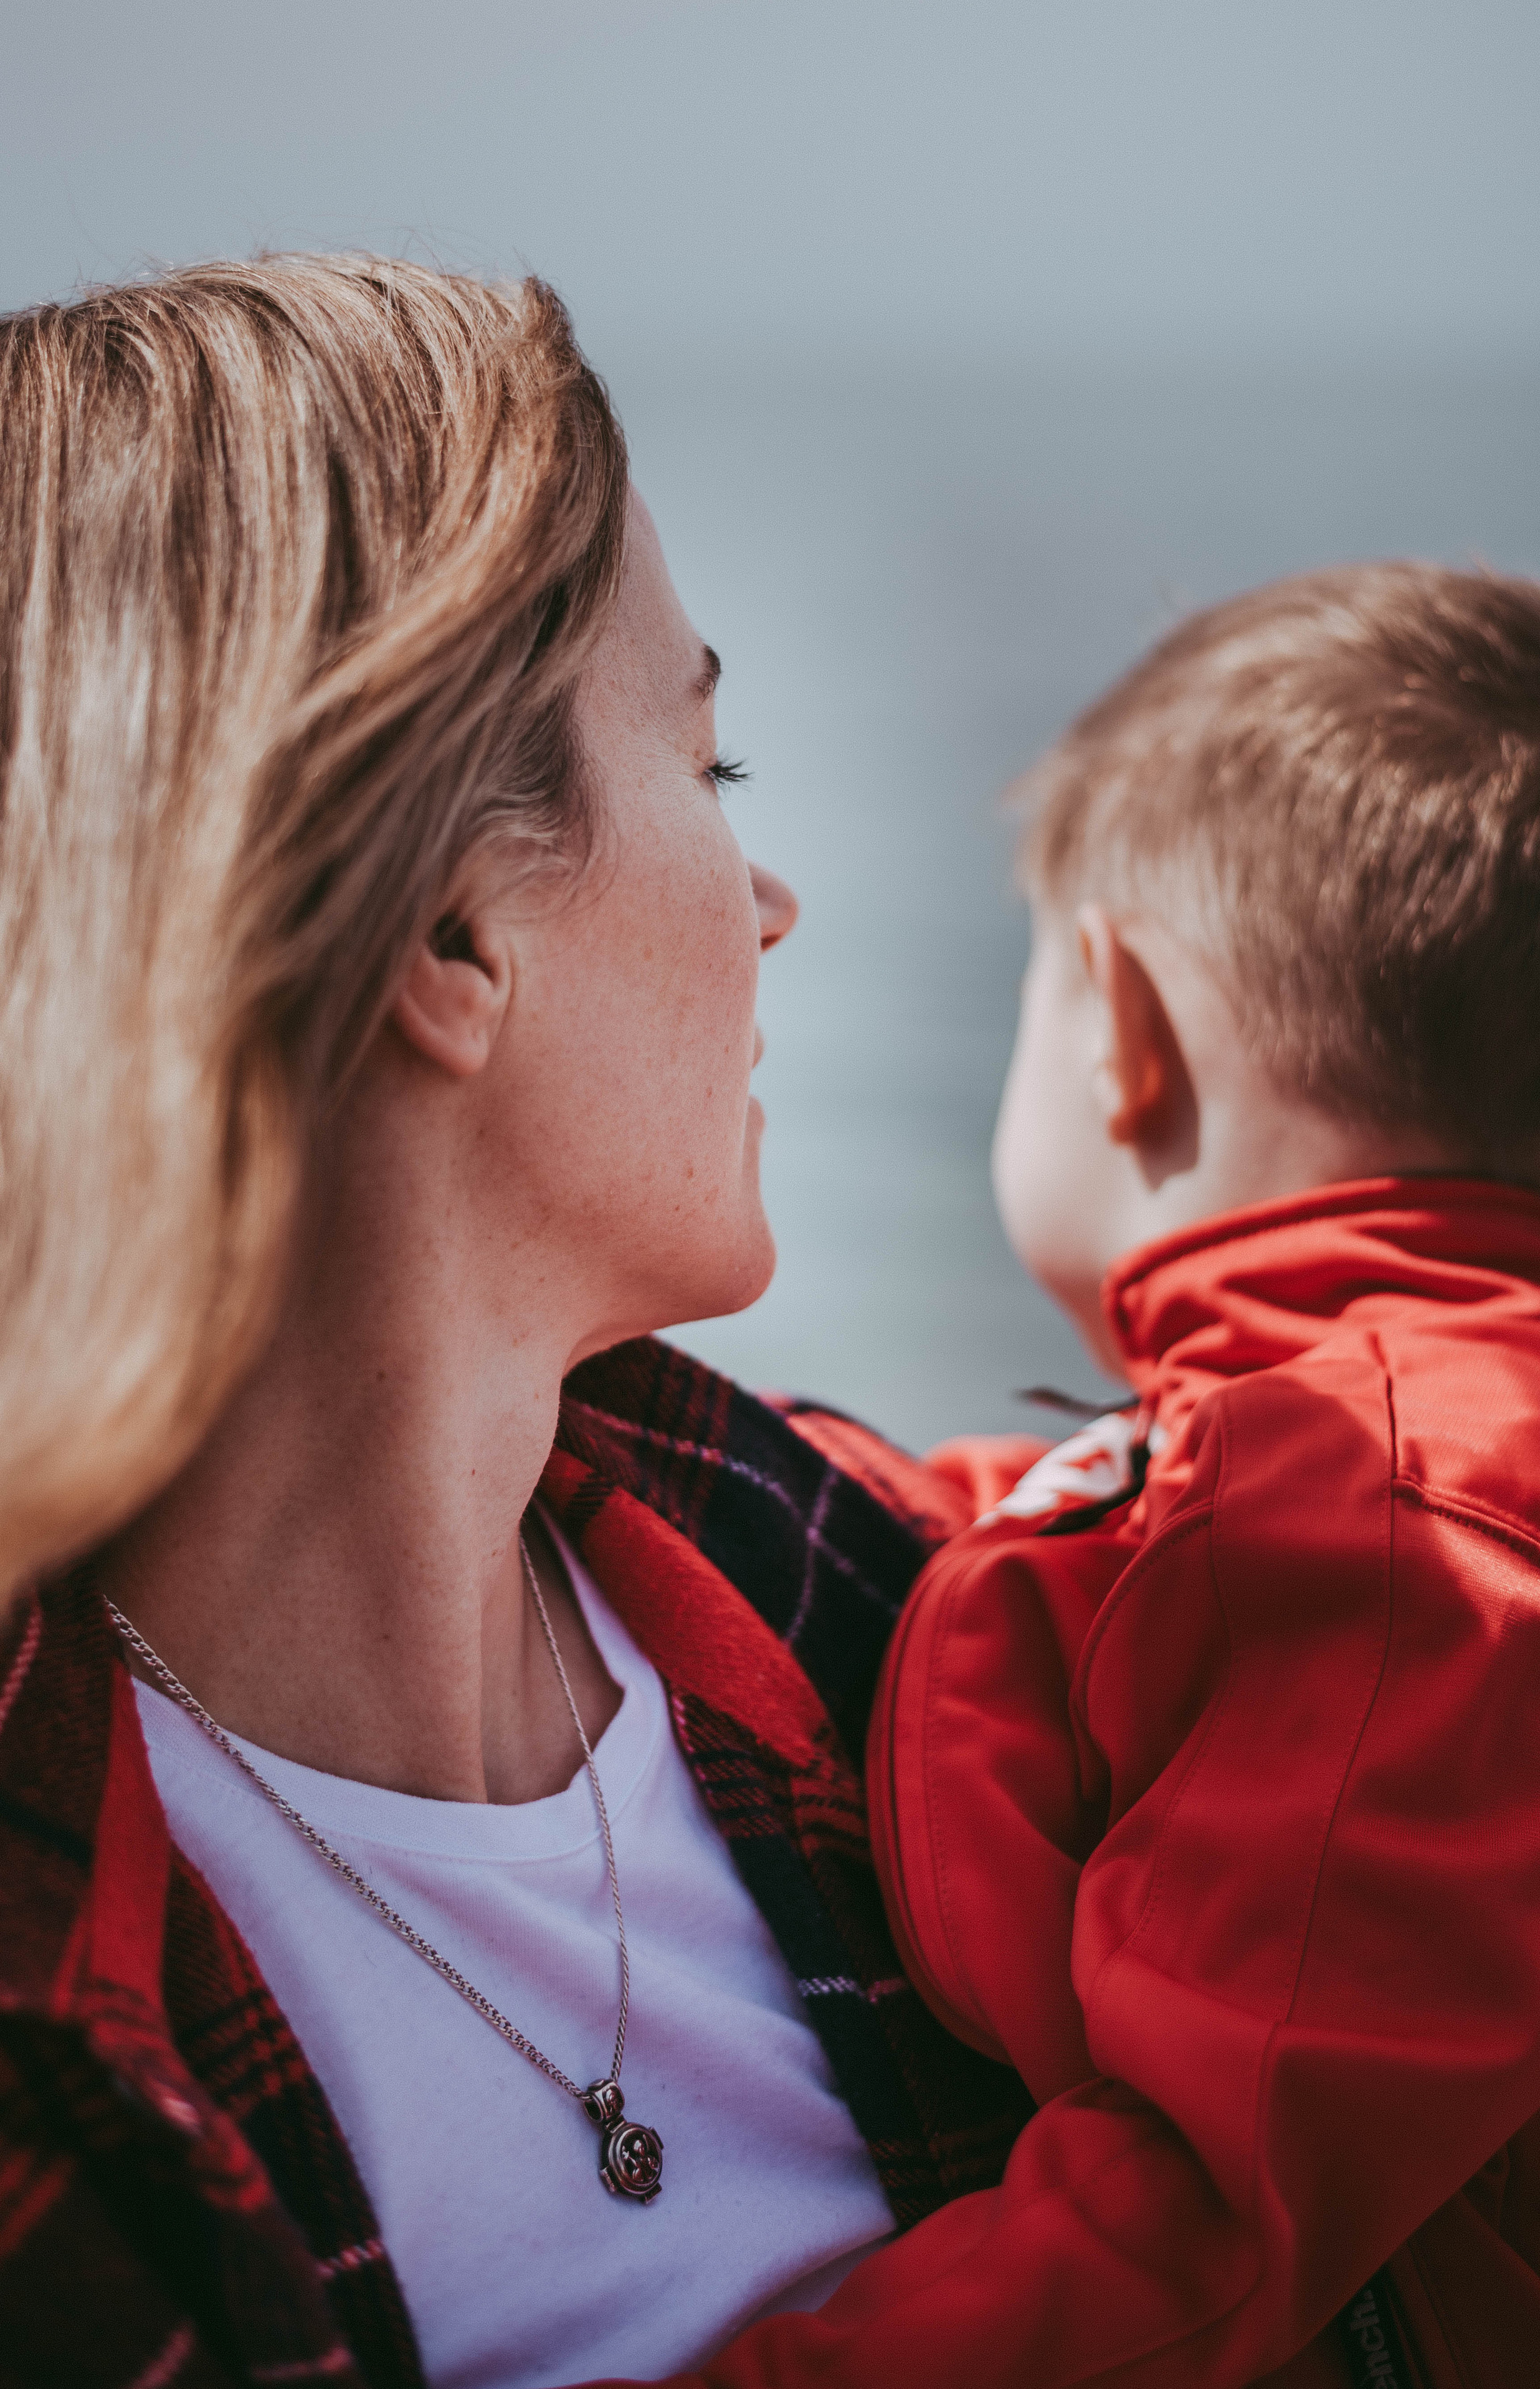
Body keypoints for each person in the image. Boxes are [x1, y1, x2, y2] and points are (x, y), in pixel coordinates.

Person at [0, 255, 1032, 2389]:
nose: (773, 901)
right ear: (454, 929)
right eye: (712, 765)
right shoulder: (46, 2009)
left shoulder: (876, 1602)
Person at [663, 564, 1540, 2387]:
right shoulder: (1427, 1443)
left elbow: (1205, 2209)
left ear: (1123, 1031)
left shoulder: (1409, 1535)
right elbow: (1087, 1530)